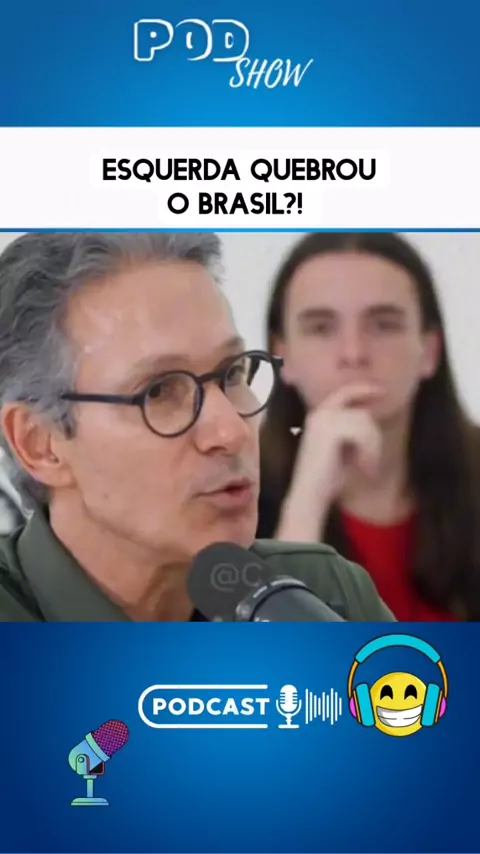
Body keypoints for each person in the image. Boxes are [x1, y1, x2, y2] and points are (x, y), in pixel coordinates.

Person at [0, 232, 394, 623]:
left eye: (232, 372)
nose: (232, 432)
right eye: (159, 391)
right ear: (40, 444)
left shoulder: (323, 596)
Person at [258, 232, 480, 622]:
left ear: (429, 351)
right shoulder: (233, 497)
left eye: (383, 325)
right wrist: (306, 503)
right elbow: (267, 655)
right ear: (282, 356)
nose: (354, 353)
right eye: (321, 328)